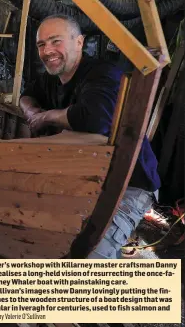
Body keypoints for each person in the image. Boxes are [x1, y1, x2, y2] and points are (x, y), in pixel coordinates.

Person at [19, 14, 161, 259]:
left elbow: (94, 119)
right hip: (87, 176)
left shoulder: (102, 74)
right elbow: (26, 95)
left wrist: (46, 117)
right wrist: (32, 111)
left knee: (91, 257)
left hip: (129, 183)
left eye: (56, 41)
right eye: (42, 45)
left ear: (79, 42)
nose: (47, 51)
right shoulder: (51, 79)